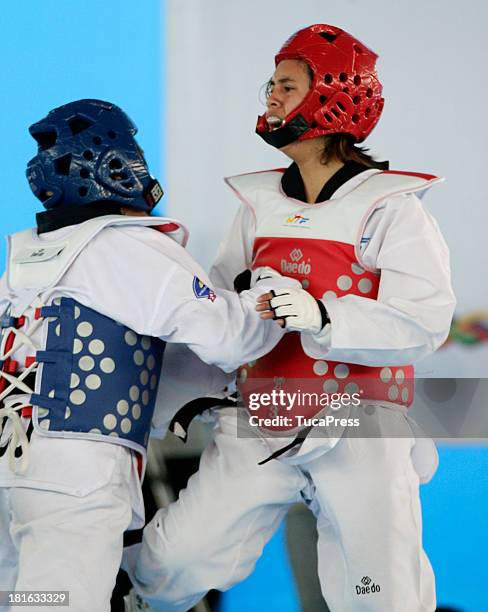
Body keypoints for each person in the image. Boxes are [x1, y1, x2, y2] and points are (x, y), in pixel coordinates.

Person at [124, 25, 456, 612]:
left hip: (359, 419)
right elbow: (221, 313)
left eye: (286, 85)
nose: (271, 98)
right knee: (175, 560)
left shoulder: (390, 209)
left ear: (334, 96)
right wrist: (164, 398)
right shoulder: (258, 206)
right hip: (264, 413)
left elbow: (423, 320)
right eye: (271, 85)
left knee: (381, 591)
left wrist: (323, 313)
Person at [0, 99, 303, 611]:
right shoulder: (129, 246)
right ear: (119, 166)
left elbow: (130, 358)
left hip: (13, 474)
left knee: (26, 599)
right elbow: (233, 338)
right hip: (76, 479)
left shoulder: (23, 261)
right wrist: (270, 293)